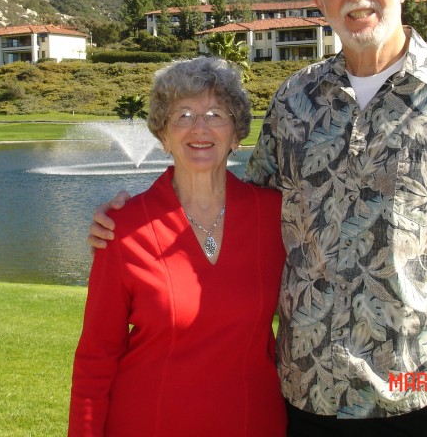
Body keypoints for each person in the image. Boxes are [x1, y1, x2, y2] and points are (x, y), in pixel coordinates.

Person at [89, 0, 427, 436]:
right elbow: (240, 204)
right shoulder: (295, 99)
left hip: (425, 398)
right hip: (308, 396)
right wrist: (131, 219)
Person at [69, 56, 287, 437]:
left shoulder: (275, 217)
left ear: (236, 135)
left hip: (254, 422)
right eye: (182, 115)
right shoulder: (121, 228)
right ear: (163, 136)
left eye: (216, 114)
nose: (198, 127)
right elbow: (96, 358)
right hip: (148, 422)